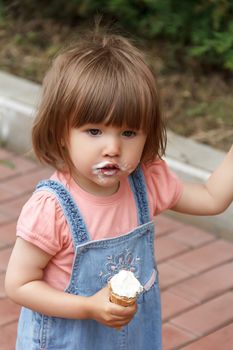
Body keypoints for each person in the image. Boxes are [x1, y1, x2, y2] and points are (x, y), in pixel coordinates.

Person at [4, 30, 233, 350]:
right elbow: (19, 285)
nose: (112, 147)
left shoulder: (147, 182)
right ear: (60, 134)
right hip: (67, 340)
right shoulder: (52, 208)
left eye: (128, 132)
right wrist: (88, 307)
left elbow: (212, 198)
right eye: (94, 131)